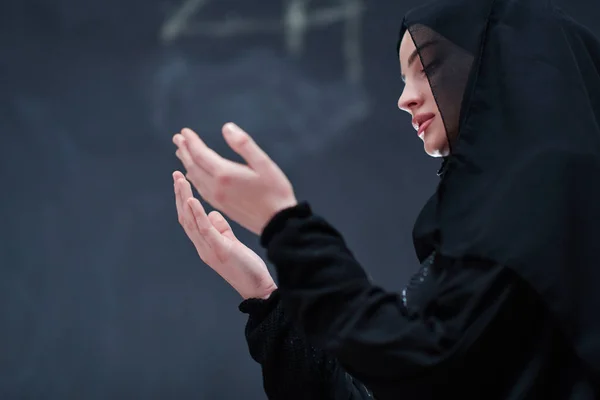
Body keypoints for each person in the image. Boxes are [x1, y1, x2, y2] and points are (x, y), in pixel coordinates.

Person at [171, 0, 600, 398]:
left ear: (504, 66)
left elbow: (422, 362)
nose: (404, 98)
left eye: (427, 66)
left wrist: (285, 224)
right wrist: (265, 296)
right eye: (403, 78)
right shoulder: (489, 217)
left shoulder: (542, 201)